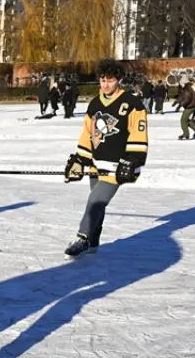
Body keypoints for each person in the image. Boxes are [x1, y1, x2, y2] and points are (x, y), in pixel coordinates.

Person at [63, 59, 148, 258]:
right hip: (96, 164)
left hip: (117, 167)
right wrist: (80, 160)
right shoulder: (95, 103)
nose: (105, 84)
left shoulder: (133, 104)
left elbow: (139, 135)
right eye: (102, 80)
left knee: (95, 202)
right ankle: (93, 241)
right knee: (98, 204)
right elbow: (87, 134)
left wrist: (132, 160)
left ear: (118, 80)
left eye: (110, 80)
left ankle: (83, 238)